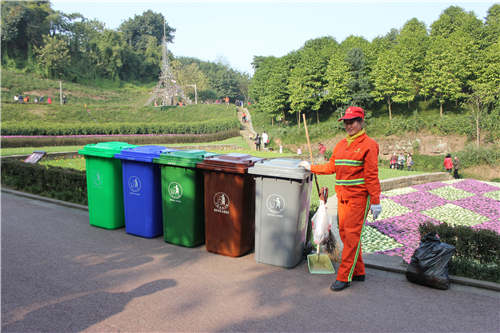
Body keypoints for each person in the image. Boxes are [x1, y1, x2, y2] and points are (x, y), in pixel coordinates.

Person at [298, 106, 381, 292]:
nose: (349, 125)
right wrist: (311, 167)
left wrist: (375, 201)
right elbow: (331, 167)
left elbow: (372, 176)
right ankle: (358, 271)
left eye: (352, 121)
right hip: (343, 196)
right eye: (346, 122)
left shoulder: (369, 145)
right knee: (346, 234)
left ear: (361, 121)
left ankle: (345, 276)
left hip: (359, 198)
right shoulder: (341, 145)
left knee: (351, 237)